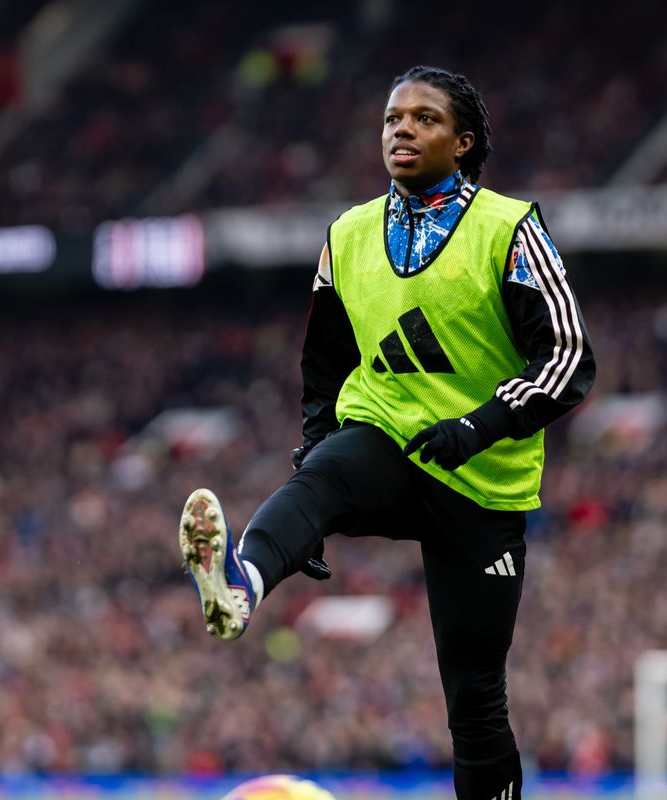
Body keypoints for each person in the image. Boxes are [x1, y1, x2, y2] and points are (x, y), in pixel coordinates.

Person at [179, 65, 596, 800]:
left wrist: (480, 425)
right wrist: (313, 481)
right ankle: (239, 584)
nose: (401, 129)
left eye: (424, 118)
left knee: (475, 699)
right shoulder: (346, 235)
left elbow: (568, 357)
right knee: (324, 475)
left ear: (464, 142)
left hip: (483, 478)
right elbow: (325, 368)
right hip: (388, 437)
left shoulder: (510, 228)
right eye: (391, 119)